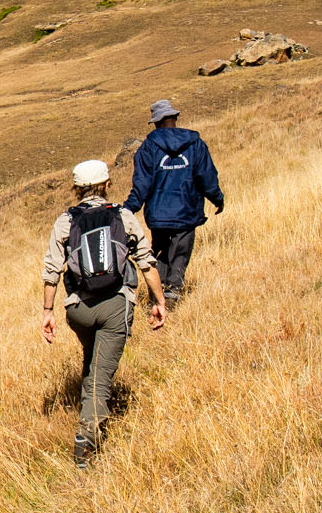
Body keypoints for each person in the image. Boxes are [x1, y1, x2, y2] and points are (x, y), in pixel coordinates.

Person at [41, 159, 168, 467]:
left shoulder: (65, 221)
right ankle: (86, 439)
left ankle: (89, 409)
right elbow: (146, 262)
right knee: (100, 375)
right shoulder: (122, 216)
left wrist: (47, 311)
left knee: (92, 360)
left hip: (78, 310)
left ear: (76, 189)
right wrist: (159, 302)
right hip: (115, 304)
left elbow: (51, 271)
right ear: (107, 185)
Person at [123, 99, 224, 308]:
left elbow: (142, 184)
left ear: (156, 122)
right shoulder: (195, 144)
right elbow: (206, 176)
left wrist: (127, 209)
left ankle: (158, 298)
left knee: (159, 253)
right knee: (180, 254)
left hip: (158, 214)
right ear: (174, 118)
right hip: (187, 211)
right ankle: (172, 294)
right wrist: (217, 198)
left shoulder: (148, 147)